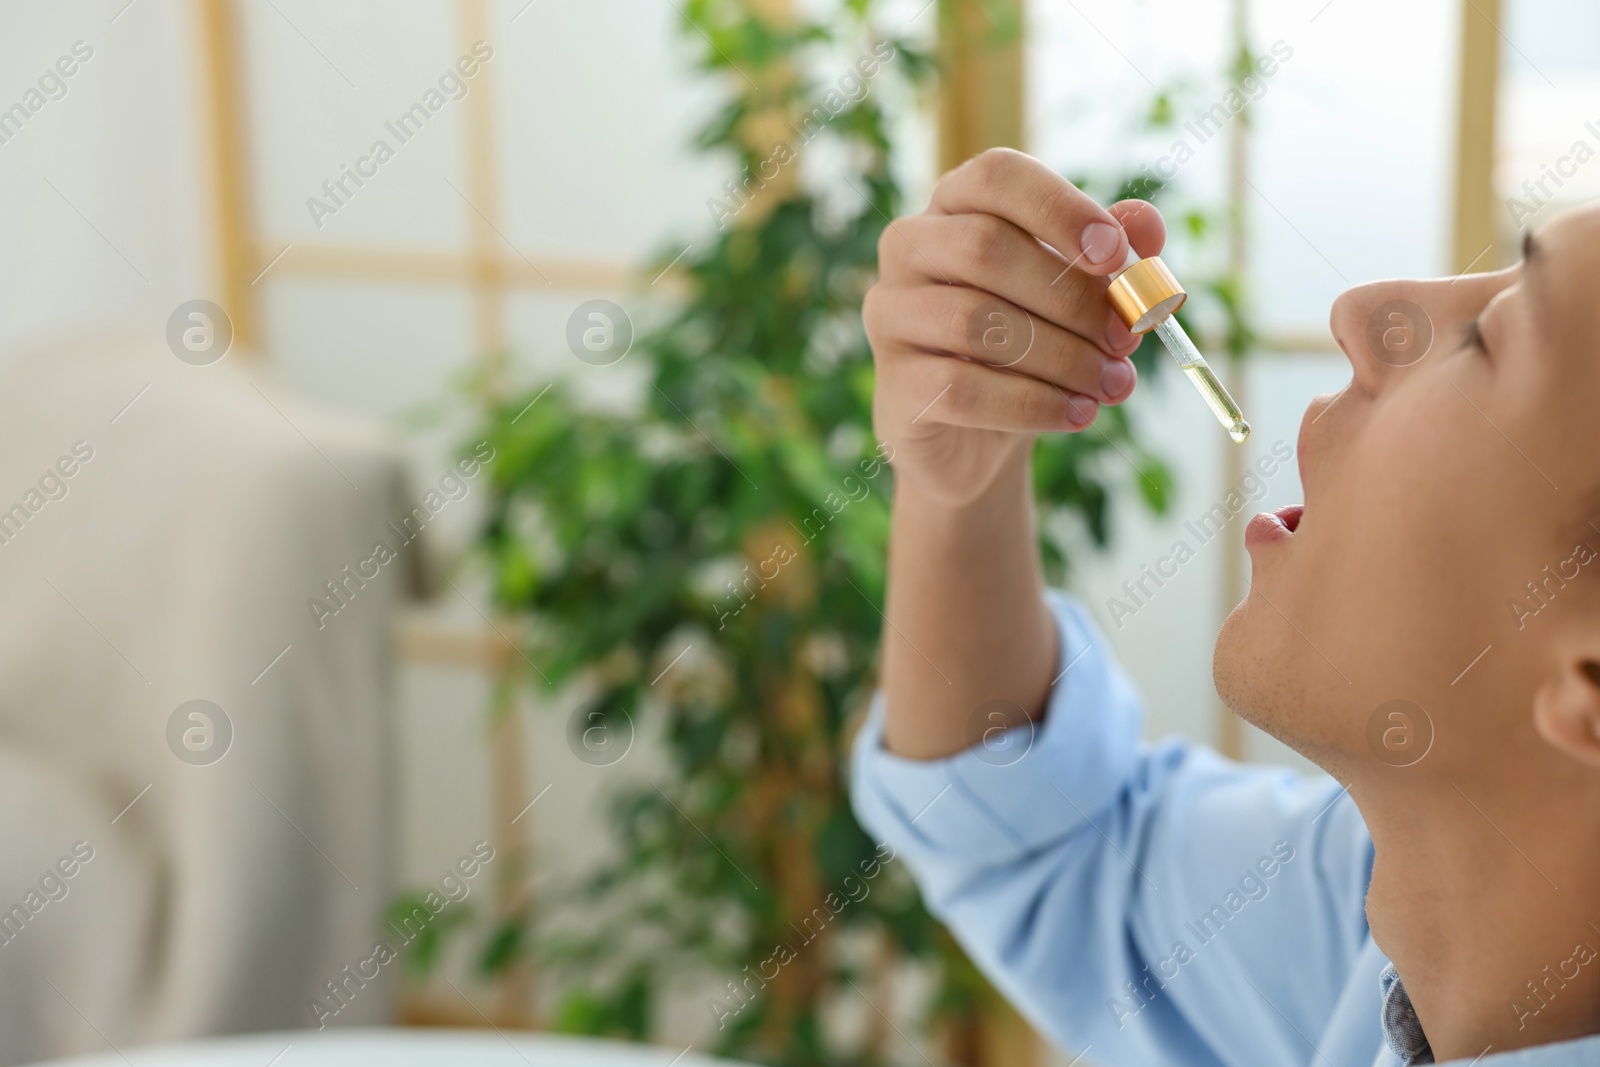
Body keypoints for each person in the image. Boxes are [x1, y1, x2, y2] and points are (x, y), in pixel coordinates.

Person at [851, 148, 1600, 1065]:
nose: (1361, 314)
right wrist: (961, 488)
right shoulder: (1394, 920)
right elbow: (1054, 847)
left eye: (1492, 336)